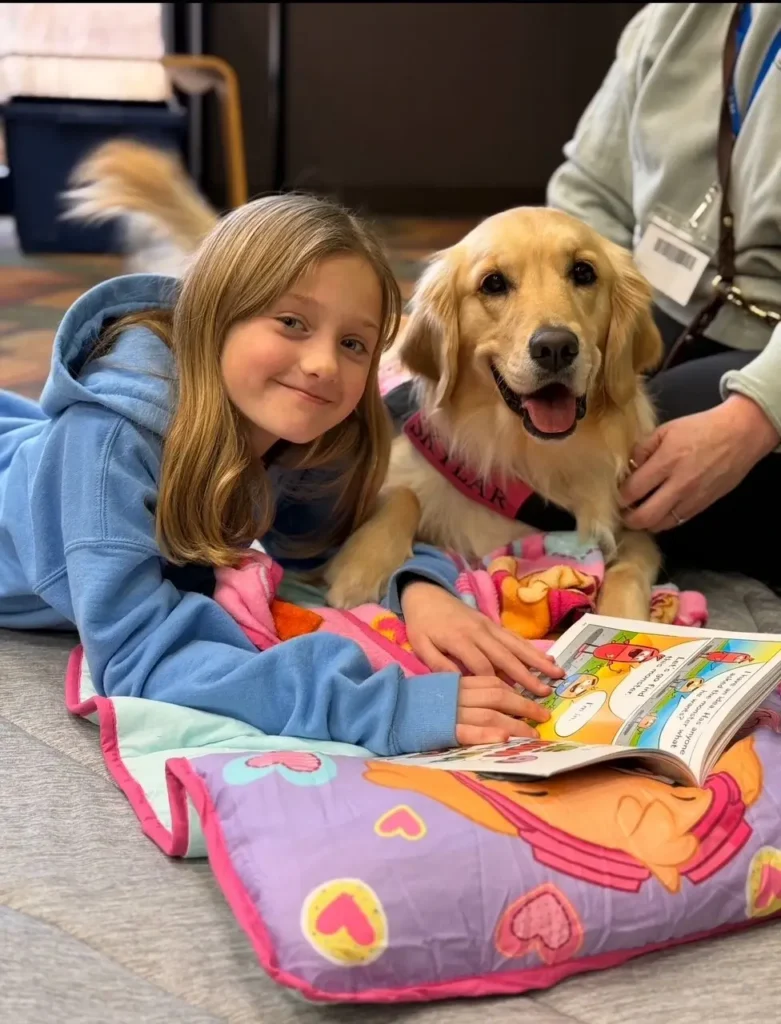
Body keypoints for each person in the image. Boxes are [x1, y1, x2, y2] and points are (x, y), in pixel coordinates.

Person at [0, 194, 563, 755]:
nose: (322, 364)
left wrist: (419, 588)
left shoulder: (300, 431)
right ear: (216, 312)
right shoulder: (108, 446)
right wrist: (384, 707)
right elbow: (140, 656)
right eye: (291, 323)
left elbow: (335, 542)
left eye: (353, 343)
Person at [546, 2, 781, 587]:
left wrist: (755, 418)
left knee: (630, 455)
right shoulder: (671, 17)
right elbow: (588, 192)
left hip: (767, 339)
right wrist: (573, 312)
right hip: (652, 298)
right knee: (424, 419)